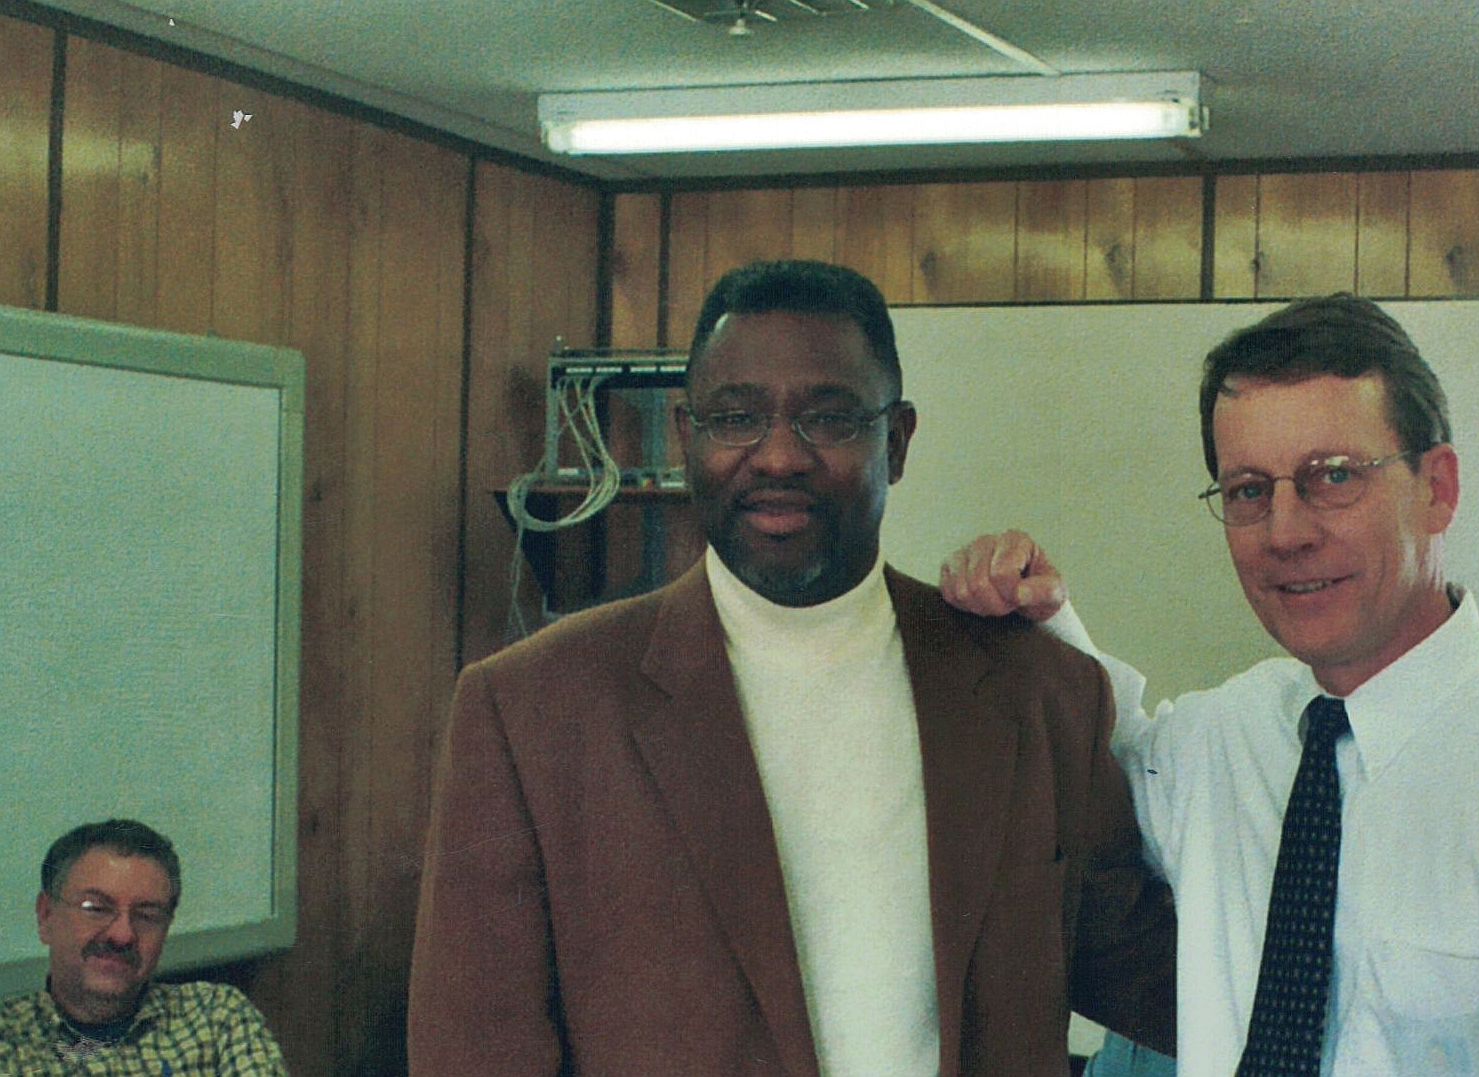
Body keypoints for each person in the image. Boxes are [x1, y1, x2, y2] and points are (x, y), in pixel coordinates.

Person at [941, 293, 1479, 1075]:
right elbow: (1094, 755)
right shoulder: (1222, 743)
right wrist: (1029, 610)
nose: (1287, 533)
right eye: (1250, 491)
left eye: (1333, 477)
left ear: (1437, 489)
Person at [408, 259, 1175, 1075]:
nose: (778, 456)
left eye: (831, 418)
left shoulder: (1036, 692)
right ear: (683, 436)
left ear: (899, 439)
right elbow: (475, 1053)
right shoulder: (533, 710)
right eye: (736, 417)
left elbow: (1166, 977)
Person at [0, 819, 288, 1074]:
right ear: (46, 915)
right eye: (97, 908)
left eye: (147, 916)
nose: (123, 935)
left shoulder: (216, 1018)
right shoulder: (10, 1044)